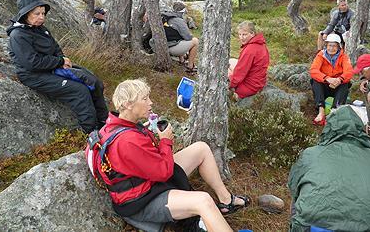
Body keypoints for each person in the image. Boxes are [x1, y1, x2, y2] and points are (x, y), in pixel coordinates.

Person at [85, 79, 249, 232]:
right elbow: (164, 173)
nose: (150, 102)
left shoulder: (112, 127)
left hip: (146, 183)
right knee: (203, 201)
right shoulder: (128, 141)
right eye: (145, 99)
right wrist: (165, 141)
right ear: (128, 104)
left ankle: (226, 200)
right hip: (141, 202)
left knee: (201, 148)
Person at [288, 106, 370, 232]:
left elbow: (293, 185)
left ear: (329, 128)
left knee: (298, 198)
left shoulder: (311, 154)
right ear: (362, 130)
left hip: (315, 228)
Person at [7, 0, 108, 133]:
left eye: (43, 13)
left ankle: (105, 122)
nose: (41, 17)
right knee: (79, 90)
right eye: (37, 14)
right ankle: (92, 131)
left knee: (93, 81)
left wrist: (63, 61)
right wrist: (59, 61)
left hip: (53, 68)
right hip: (34, 76)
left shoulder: (42, 30)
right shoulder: (18, 35)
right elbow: (32, 63)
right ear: (25, 14)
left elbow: (55, 48)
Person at [310, 33, 353, 125]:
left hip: (337, 85)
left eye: (334, 46)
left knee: (346, 83)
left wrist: (339, 79)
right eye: (329, 45)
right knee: (315, 81)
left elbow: (349, 72)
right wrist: (327, 78)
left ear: (338, 47)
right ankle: (321, 112)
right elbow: (313, 70)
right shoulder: (320, 55)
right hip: (325, 85)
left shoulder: (344, 57)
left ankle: (334, 112)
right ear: (326, 45)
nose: (331, 48)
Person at [144, 2, 199, 73]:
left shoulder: (164, 15)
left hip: (156, 45)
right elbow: (188, 37)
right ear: (183, 11)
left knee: (178, 37)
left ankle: (182, 60)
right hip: (169, 48)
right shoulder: (179, 20)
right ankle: (190, 66)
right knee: (195, 41)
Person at [228, 21, 270, 99]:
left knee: (226, 72)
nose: (241, 37)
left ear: (252, 34)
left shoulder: (250, 50)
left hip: (249, 88)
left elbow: (240, 72)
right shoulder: (261, 44)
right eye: (240, 34)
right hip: (258, 83)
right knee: (230, 61)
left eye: (244, 34)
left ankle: (236, 96)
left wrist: (229, 84)